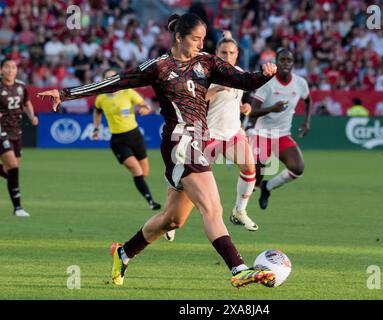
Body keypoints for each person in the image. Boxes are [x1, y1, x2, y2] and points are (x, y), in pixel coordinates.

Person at [38, 13, 278, 288]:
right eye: (195, 39)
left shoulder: (207, 62)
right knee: (212, 208)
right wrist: (66, 93)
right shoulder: (159, 67)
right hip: (179, 143)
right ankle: (238, 269)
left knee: (172, 220)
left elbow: (245, 81)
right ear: (179, 37)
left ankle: (123, 252)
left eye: (202, 39)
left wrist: (264, 75)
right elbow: (114, 82)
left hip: (197, 142)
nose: (200, 44)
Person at [166, 31, 258, 241]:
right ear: (216, 53)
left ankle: (239, 211)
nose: (227, 56)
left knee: (250, 167)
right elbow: (195, 99)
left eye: (231, 52)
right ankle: (170, 219)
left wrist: (244, 107)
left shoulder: (239, 72)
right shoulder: (205, 73)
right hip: (207, 134)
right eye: (223, 52)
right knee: (190, 182)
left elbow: (237, 100)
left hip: (233, 132)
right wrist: (216, 88)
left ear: (236, 54)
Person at [248, 48, 312, 210]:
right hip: (262, 135)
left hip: (282, 135)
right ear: (277, 62)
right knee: (254, 179)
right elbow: (252, 111)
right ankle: (240, 210)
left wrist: (307, 121)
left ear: (293, 64)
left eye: (288, 60)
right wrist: (271, 109)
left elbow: (308, 101)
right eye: (282, 60)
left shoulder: (300, 83)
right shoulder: (267, 82)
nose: (285, 63)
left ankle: (268, 187)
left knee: (297, 169)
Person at [93, 68, 161, 210]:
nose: (110, 80)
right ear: (103, 80)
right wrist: (96, 129)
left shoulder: (127, 92)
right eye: (107, 78)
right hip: (118, 140)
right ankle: (151, 202)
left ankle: (143, 189)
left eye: (113, 77)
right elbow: (97, 112)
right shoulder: (101, 98)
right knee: (137, 170)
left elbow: (145, 105)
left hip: (135, 136)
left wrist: (145, 109)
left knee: (144, 172)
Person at [0, 59, 39, 217]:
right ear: (1, 70)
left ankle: (17, 207)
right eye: (7, 67)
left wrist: (32, 116)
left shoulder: (21, 87)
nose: (10, 70)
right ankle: (18, 208)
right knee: (14, 168)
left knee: (11, 171)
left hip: (16, 131)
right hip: (1, 131)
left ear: (16, 70)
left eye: (13, 67)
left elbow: (27, 103)